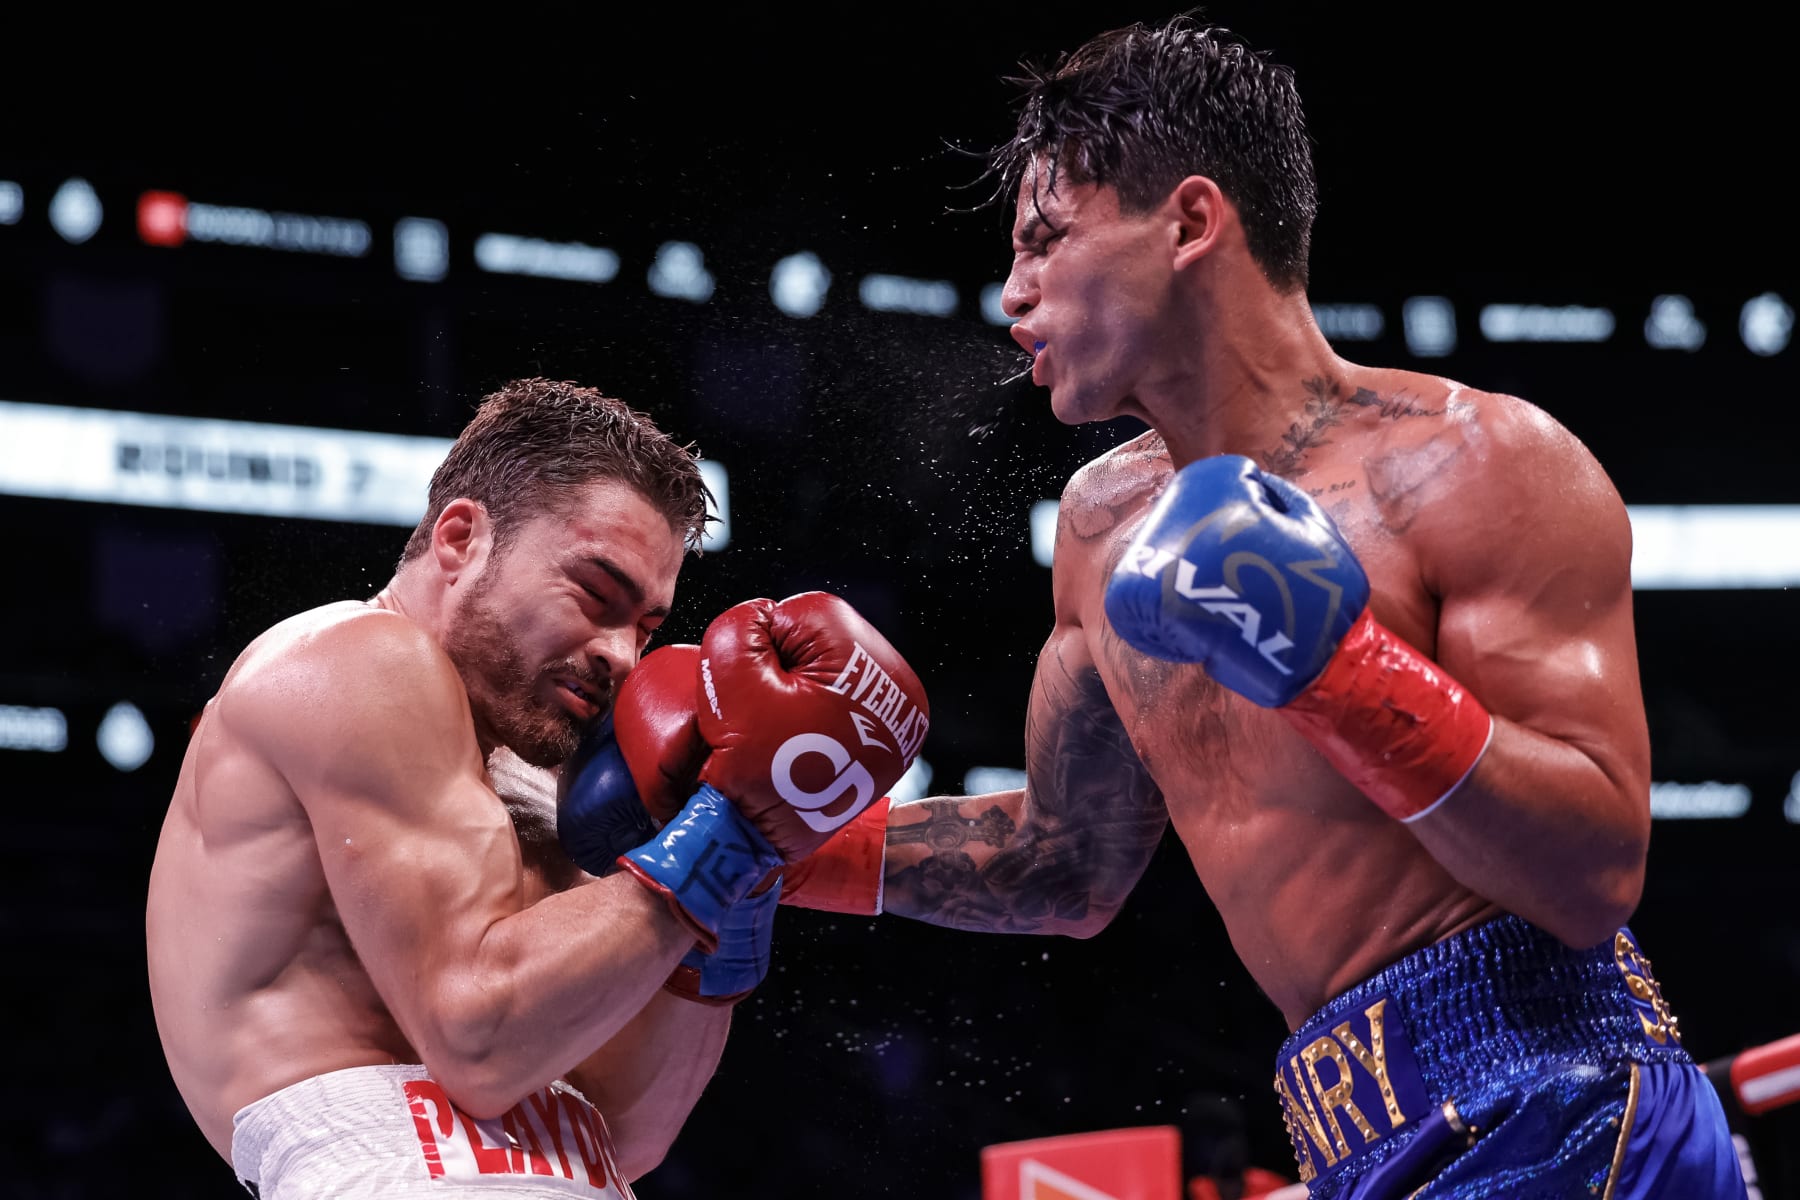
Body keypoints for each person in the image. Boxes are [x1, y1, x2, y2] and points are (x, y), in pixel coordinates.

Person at [774, 17, 1749, 1199]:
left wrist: (1334, 669)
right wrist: (759, 850)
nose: (1013, 291)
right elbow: (1061, 867)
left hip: (1561, 1103)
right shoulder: (1100, 530)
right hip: (1349, 1136)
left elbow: (1592, 875)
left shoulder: (1478, 464)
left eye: (1046, 241)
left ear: (1189, 221)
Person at [146, 377, 928, 1198]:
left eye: (648, 628)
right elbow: (480, 1045)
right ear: (460, 538)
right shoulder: (355, 660)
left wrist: (743, 882)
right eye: (596, 595)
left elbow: (629, 1132)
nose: (622, 655)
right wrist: (726, 832)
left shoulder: (569, 776)